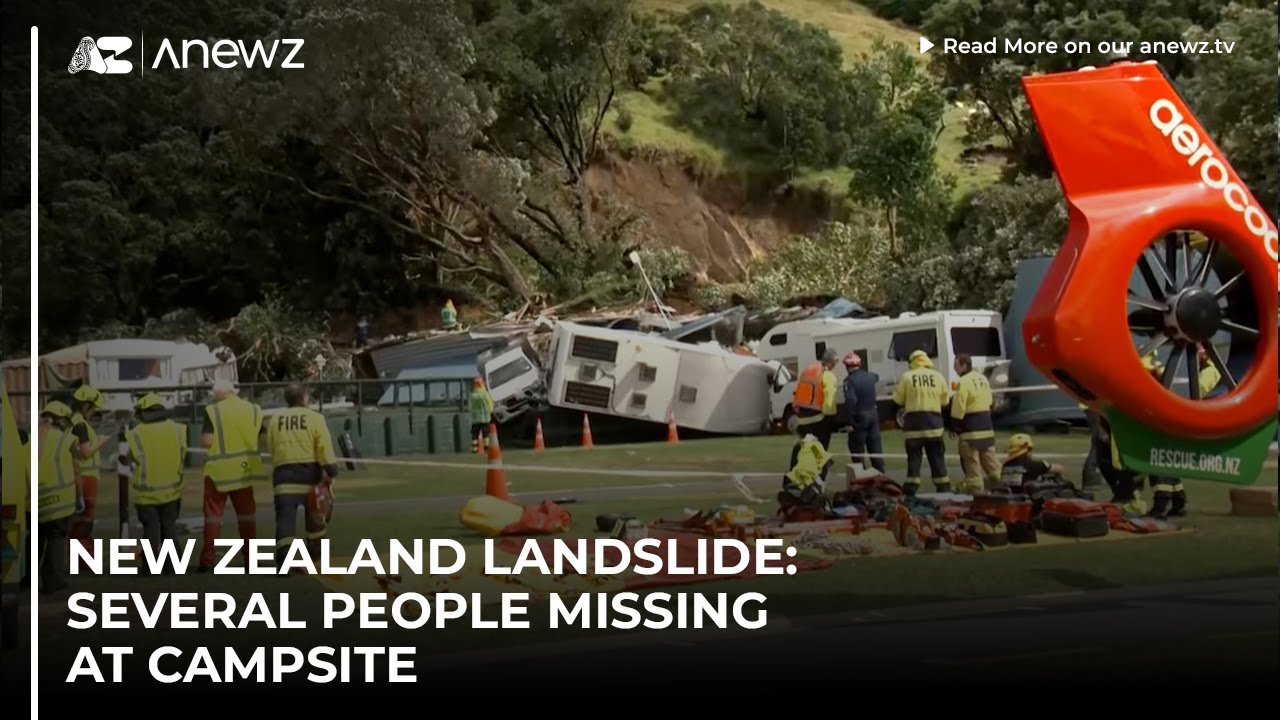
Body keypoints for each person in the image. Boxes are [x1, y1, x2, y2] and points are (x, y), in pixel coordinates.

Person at [267, 384, 339, 567]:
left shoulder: (275, 420)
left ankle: (284, 561)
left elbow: (270, 446)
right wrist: (331, 470)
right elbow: (324, 446)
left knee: (285, 520)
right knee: (315, 518)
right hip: (310, 477)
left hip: (283, 476)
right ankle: (315, 557)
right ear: (305, 398)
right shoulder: (316, 418)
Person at [197, 379, 265, 572]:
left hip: (218, 472)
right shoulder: (253, 410)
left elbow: (206, 441)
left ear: (219, 393)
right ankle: (251, 561)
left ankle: (208, 561)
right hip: (244, 471)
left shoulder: (213, 410)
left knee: (212, 518)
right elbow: (262, 437)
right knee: (246, 518)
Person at [124, 394, 188, 574]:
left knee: (150, 531)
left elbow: (130, 457)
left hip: (146, 493)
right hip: (172, 490)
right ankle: (174, 566)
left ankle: (151, 568)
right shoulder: (178, 429)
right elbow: (183, 453)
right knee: (170, 528)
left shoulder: (136, 433)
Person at [891, 349, 952, 494]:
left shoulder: (907, 377)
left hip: (913, 427)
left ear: (912, 362)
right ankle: (943, 488)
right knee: (937, 458)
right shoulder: (938, 377)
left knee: (914, 460)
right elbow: (945, 401)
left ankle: (911, 490)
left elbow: (898, 400)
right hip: (934, 426)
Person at [37, 401, 79, 593]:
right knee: (56, 539)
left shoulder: (31, 439)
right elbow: (76, 470)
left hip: (35, 500)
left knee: (35, 540)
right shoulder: (67, 440)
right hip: (61, 499)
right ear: (61, 420)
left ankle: (26, 578)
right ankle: (53, 581)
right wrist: (80, 496)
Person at [68, 385, 111, 552]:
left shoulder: (72, 421)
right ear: (86, 405)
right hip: (86, 476)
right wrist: (100, 442)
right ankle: (85, 560)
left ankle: (81, 558)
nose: (95, 412)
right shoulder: (80, 424)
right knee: (84, 521)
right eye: (94, 408)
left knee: (78, 520)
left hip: (80, 475)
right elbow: (85, 451)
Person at [950, 354, 1000, 495]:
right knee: (991, 461)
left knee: (972, 463)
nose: (955, 367)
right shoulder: (983, 378)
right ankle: (1003, 484)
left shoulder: (964, 381)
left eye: (956, 364)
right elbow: (990, 402)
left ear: (963, 365)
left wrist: (955, 426)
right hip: (987, 427)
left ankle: (976, 491)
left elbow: (959, 405)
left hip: (971, 430)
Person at [842, 352, 884, 474]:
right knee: (875, 447)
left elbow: (851, 401)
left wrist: (850, 422)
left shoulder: (849, 381)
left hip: (860, 416)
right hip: (873, 414)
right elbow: (876, 376)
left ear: (847, 366)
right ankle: (880, 475)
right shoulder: (870, 376)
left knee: (857, 449)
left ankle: (861, 477)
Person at [792, 348, 840, 451]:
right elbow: (829, 402)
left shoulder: (808, 370)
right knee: (821, 448)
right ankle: (821, 465)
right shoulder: (828, 375)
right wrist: (832, 420)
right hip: (817, 420)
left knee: (806, 448)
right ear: (832, 363)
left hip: (801, 420)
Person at [1000, 433, 1066, 488]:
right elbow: (1060, 469)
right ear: (1028, 450)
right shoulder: (1035, 465)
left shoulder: (1006, 465)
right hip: (1028, 499)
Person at [469, 377, 494, 454]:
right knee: (485, 433)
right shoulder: (485, 394)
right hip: (485, 418)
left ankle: (474, 449)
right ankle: (486, 448)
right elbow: (490, 405)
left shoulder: (472, 395)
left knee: (474, 434)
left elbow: (470, 407)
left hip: (475, 418)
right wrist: (490, 411)